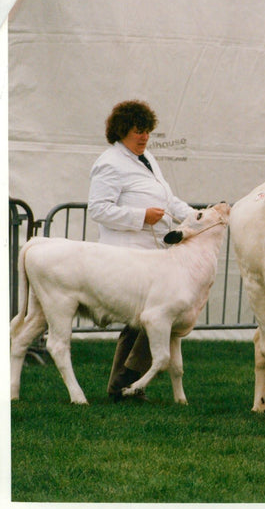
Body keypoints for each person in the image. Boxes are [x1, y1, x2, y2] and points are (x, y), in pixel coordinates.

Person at [88, 100, 195, 402]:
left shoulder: (148, 158)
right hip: (125, 256)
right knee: (152, 319)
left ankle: (121, 386)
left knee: (140, 324)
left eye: (147, 131)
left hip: (151, 256)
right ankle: (125, 385)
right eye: (138, 131)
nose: (145, 137)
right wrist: (140, 216)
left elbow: (169, 200)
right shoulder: (110, 162)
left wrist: (198, 217)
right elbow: (98, 209)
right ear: (122, 131)